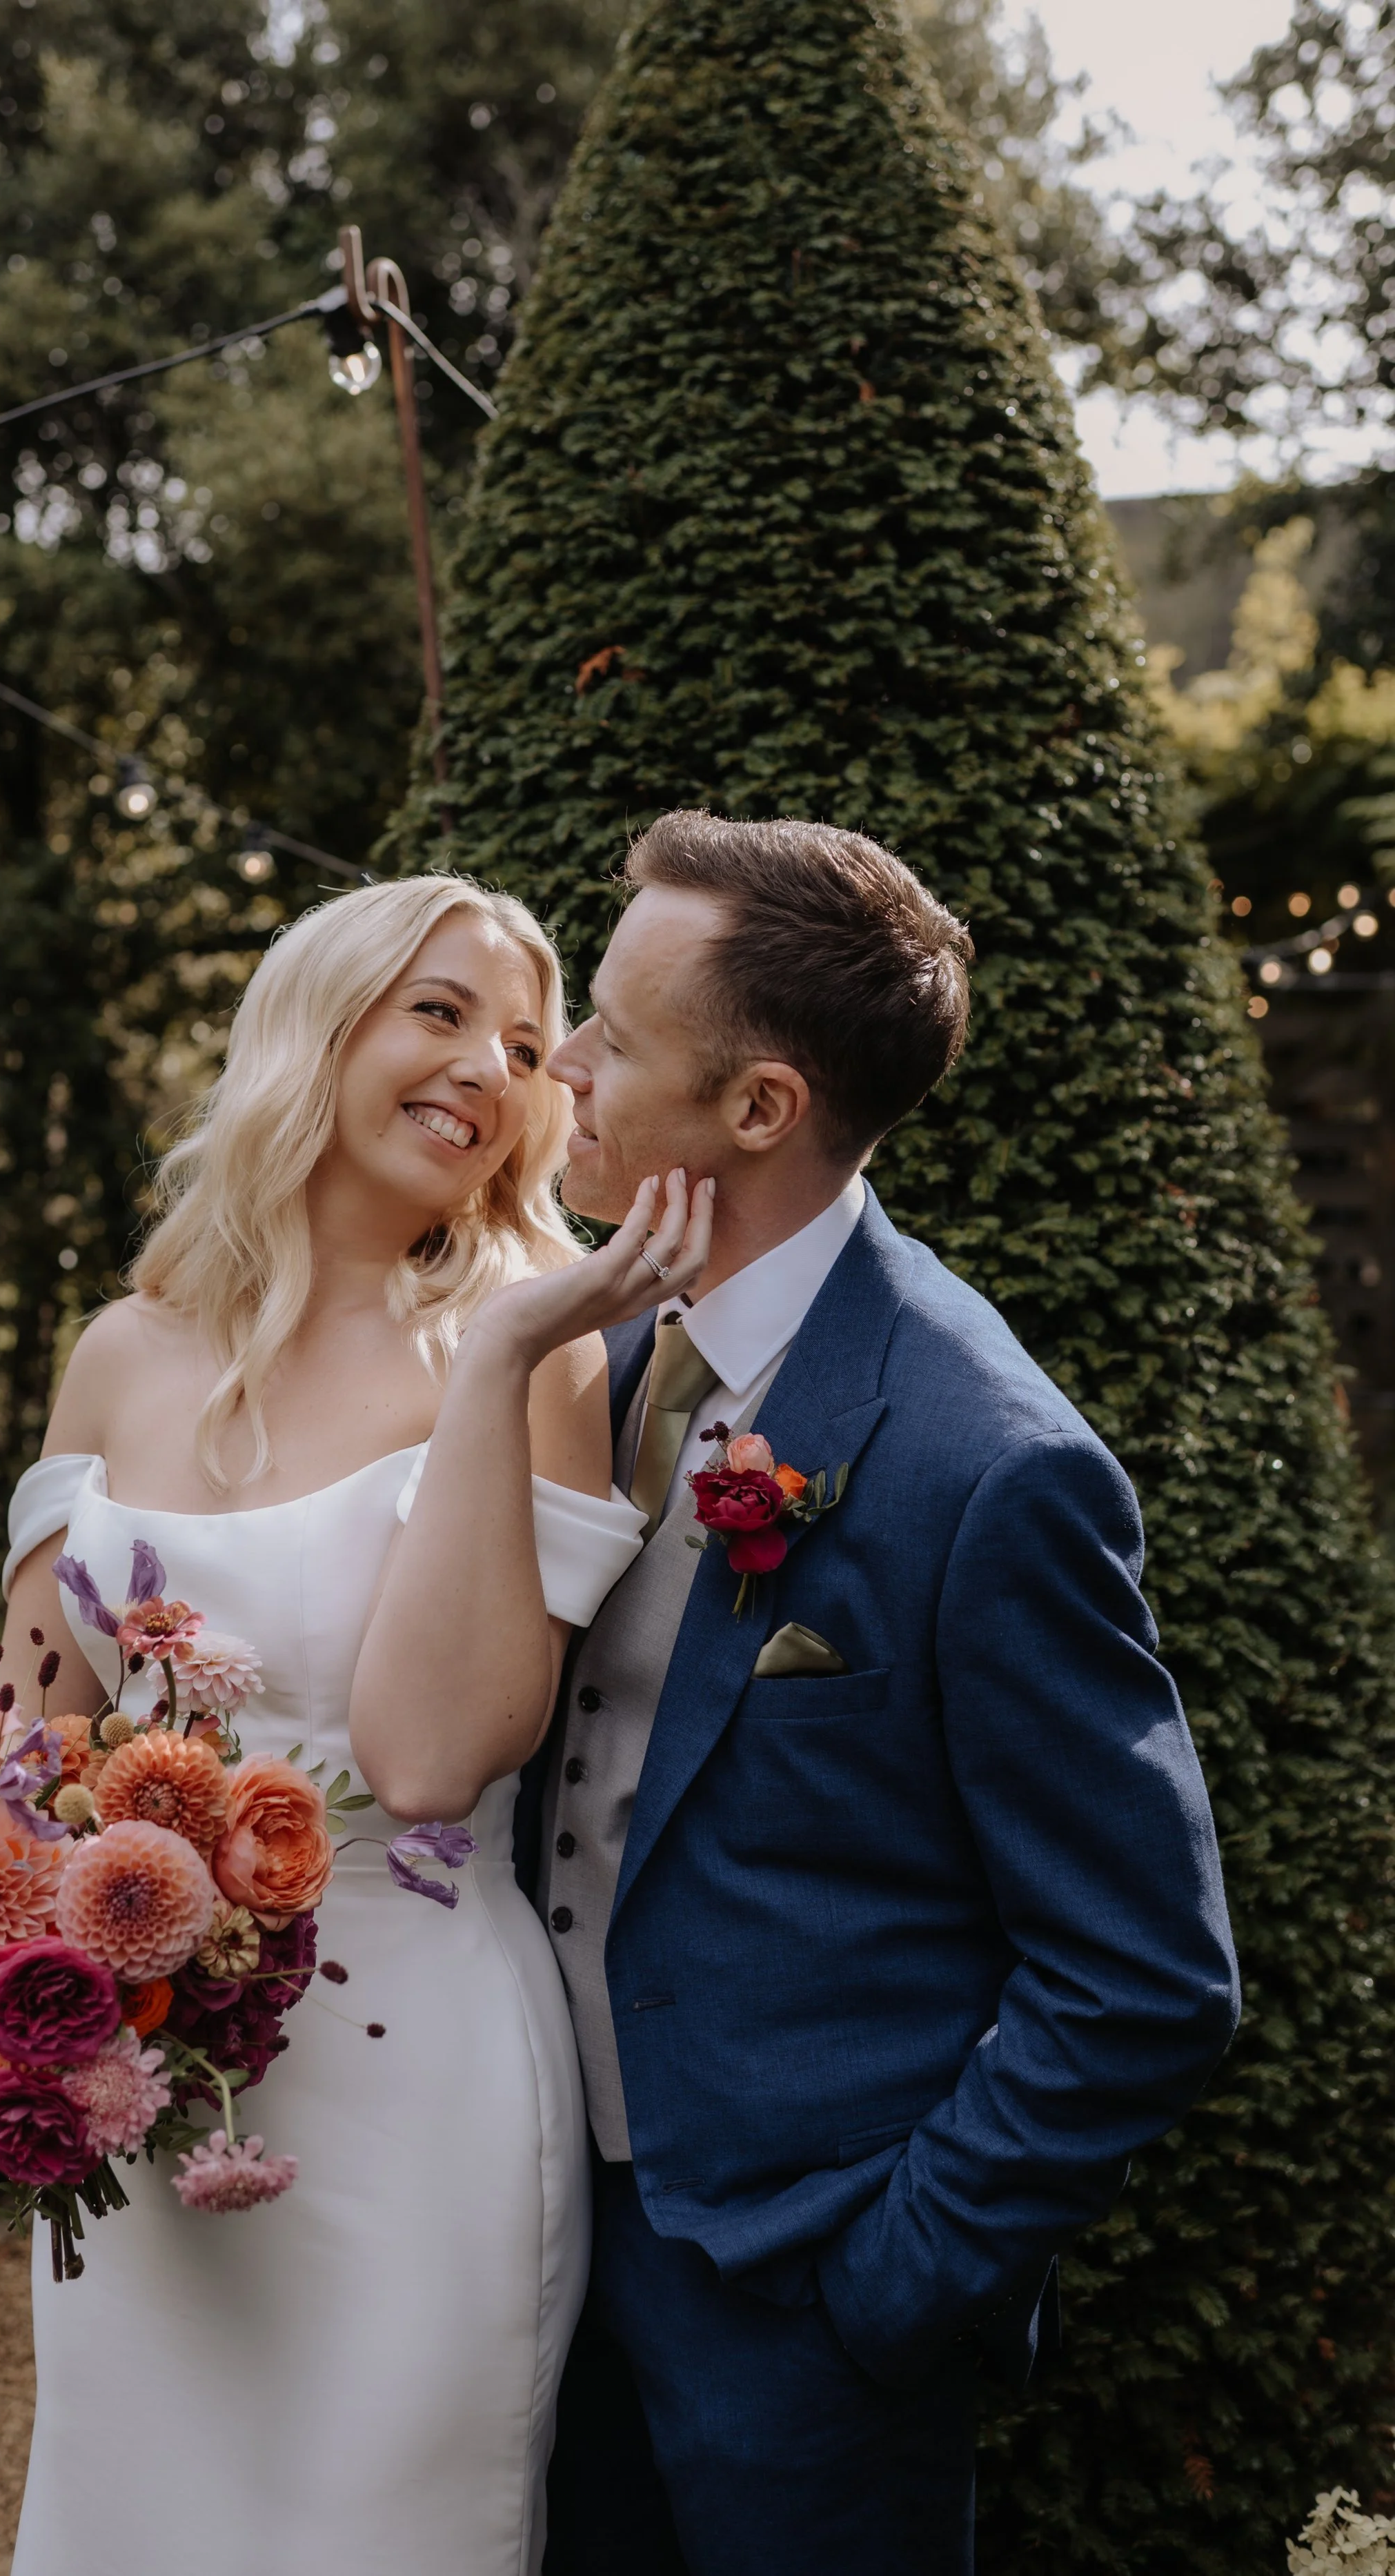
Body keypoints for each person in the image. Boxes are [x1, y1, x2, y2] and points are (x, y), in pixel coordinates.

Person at [532, 811, 1240, 2576]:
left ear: (759, 1108)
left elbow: (1146, 1976)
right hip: (530, 2231)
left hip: (800, 2301)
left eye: (613, 1035)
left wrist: (890, 2278)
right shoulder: (589, 1346)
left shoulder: (987, 1464)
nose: (563, 1061)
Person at [0, 873, 710, 2576]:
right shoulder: (118, 1354)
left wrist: (493, 1366)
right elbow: (24, 1746)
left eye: (528, 1045)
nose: (488, 1067)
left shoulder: (535, 1349)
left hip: (412, 2064)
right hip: (146, 2067)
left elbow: (433, 1758)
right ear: (319, 1023)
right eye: (441, 1011)